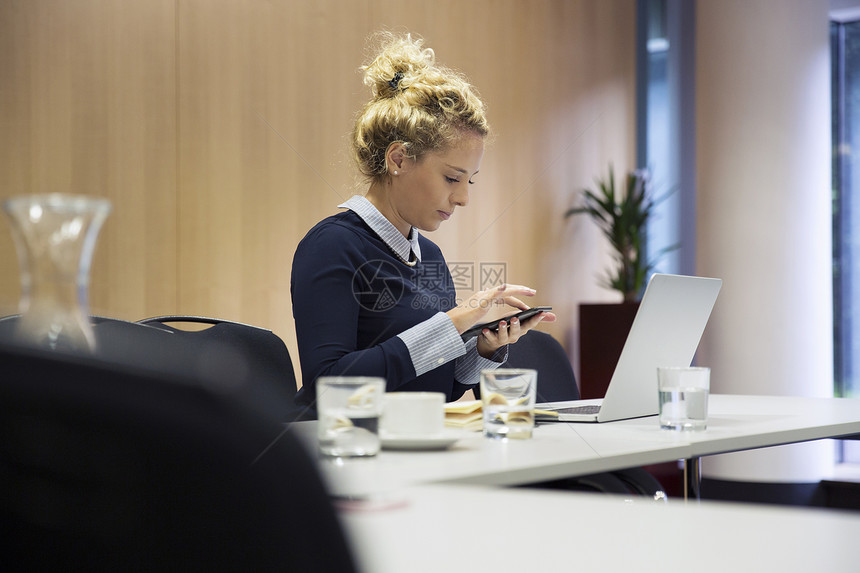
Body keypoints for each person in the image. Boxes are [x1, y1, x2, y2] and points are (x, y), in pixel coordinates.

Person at [291, 32, 555, 411]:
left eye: (469, 181)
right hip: (351, 454)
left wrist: (482, 346)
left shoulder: (428, 256)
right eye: (452, 178)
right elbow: (329, 387)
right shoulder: (331, 246)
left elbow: (439, 389)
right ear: (398, 159)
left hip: (416, 445)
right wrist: (453, 324)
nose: (463, 198)